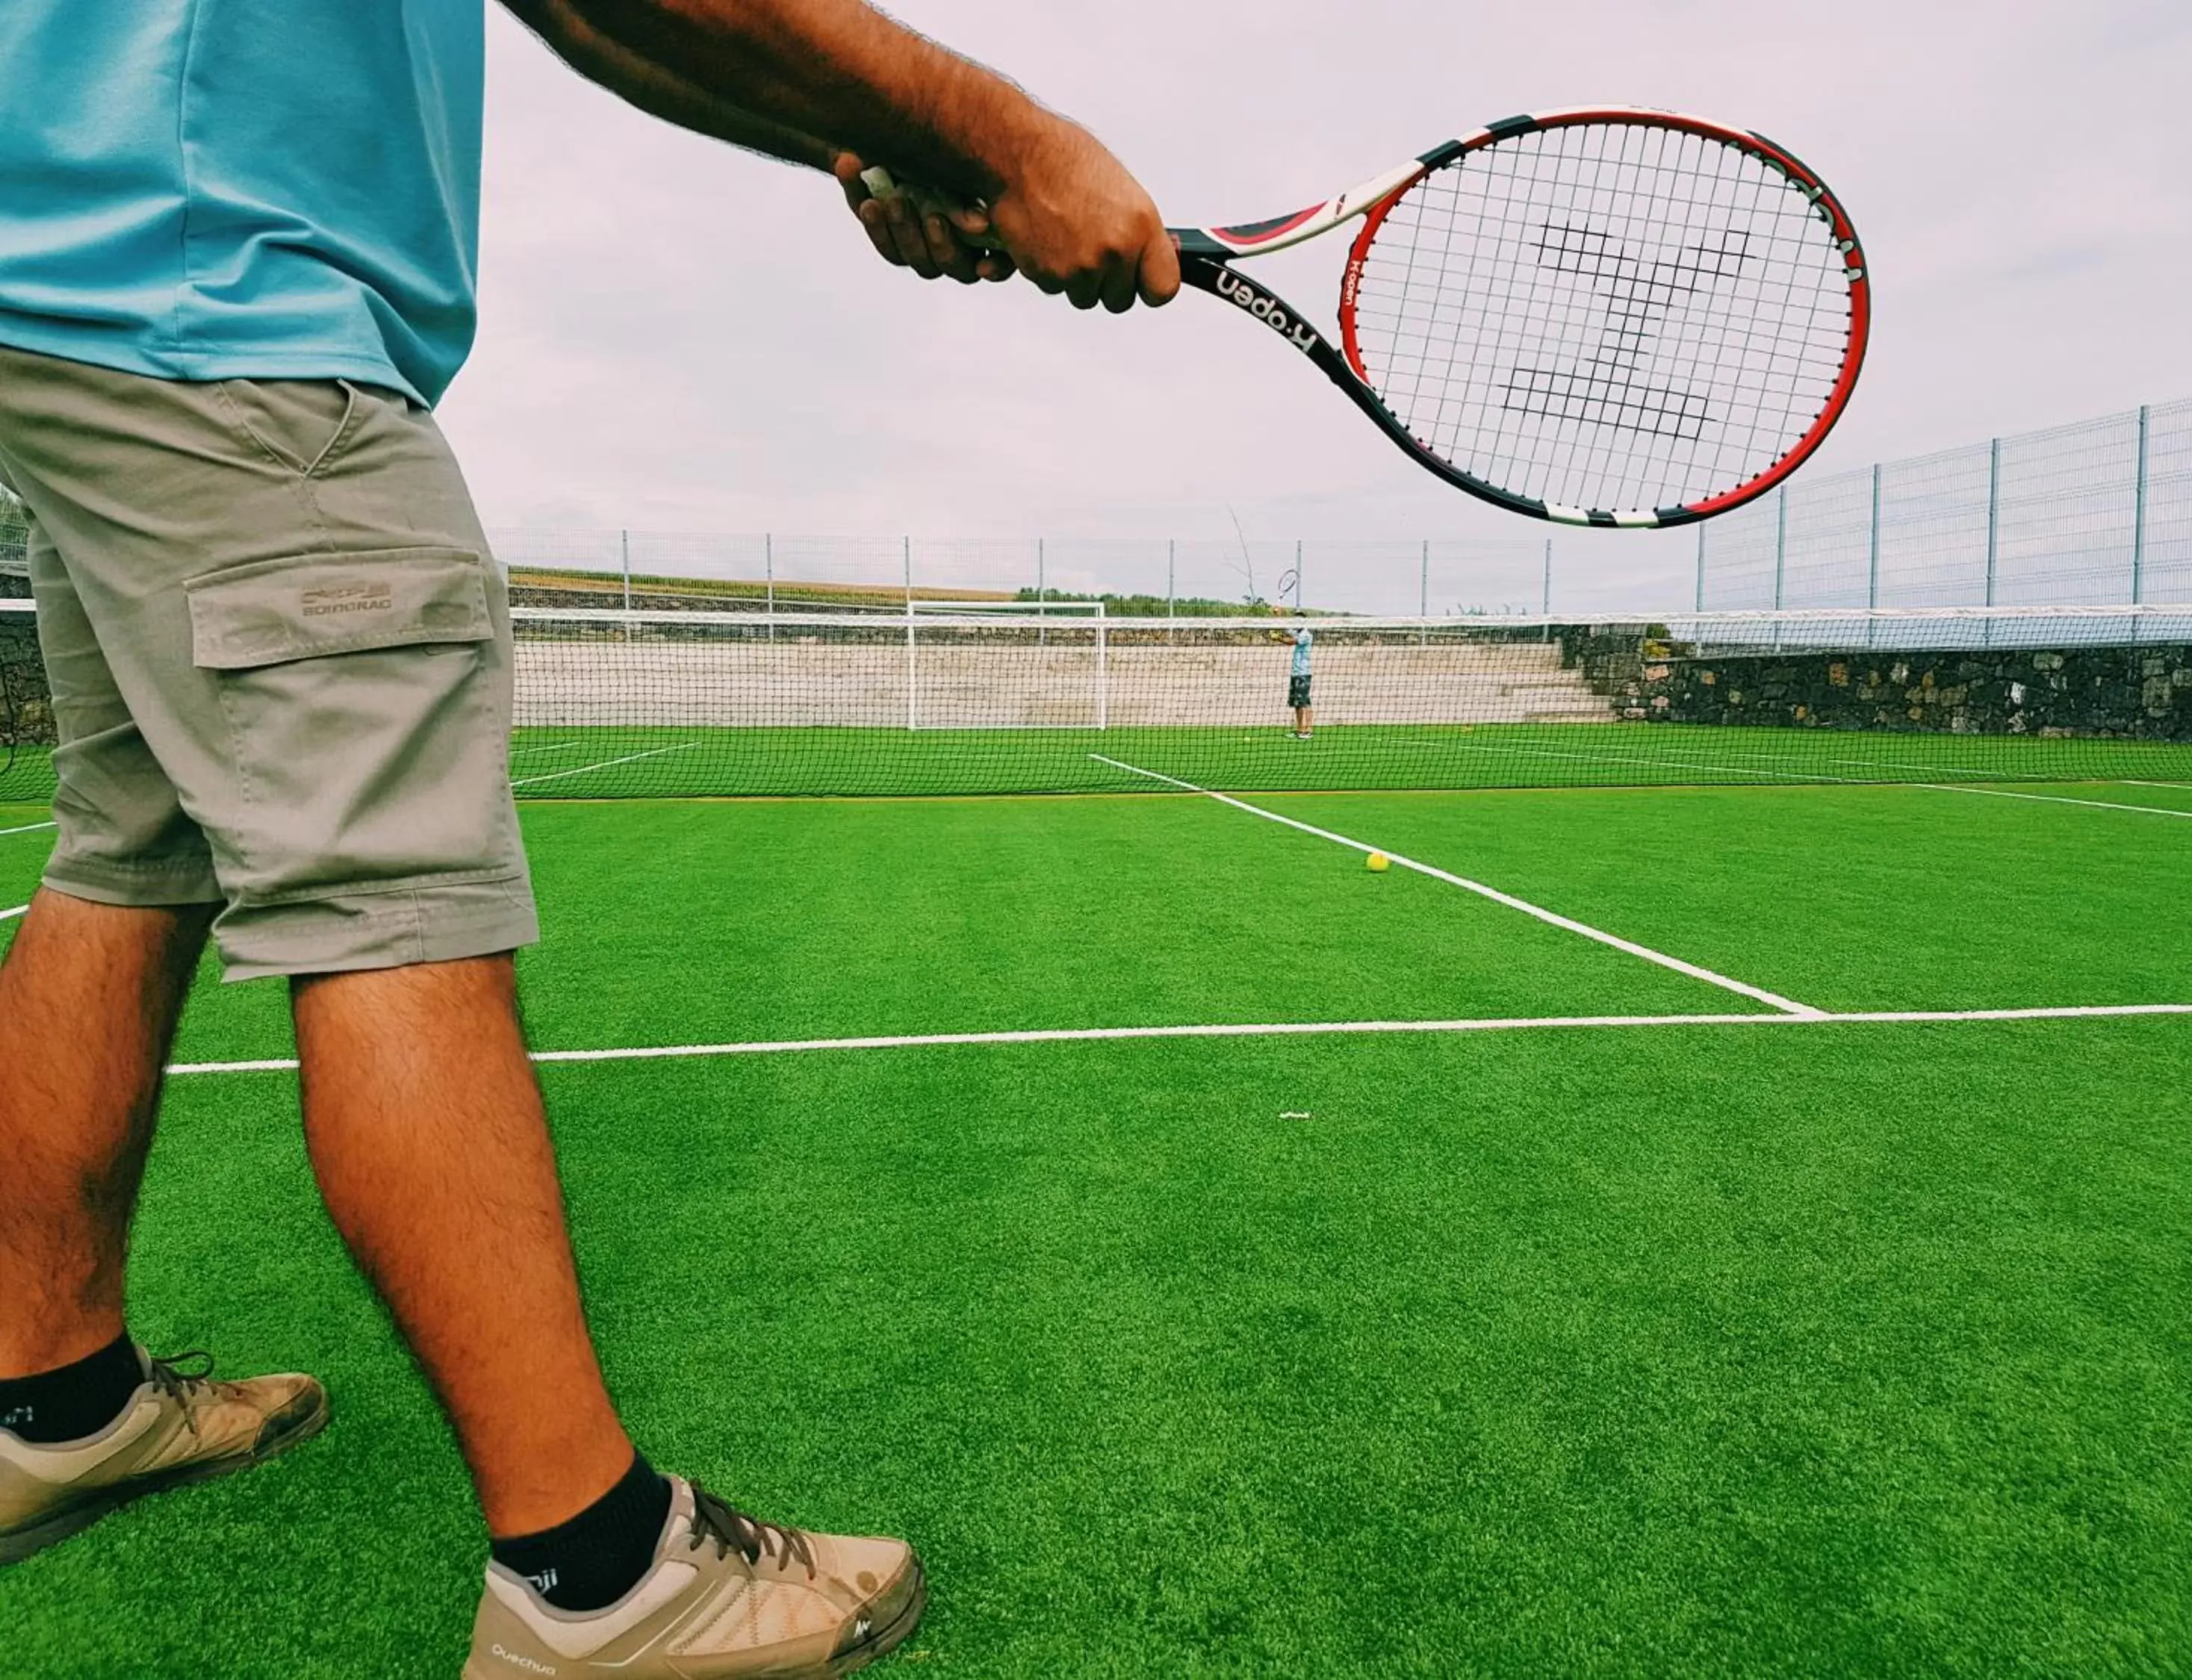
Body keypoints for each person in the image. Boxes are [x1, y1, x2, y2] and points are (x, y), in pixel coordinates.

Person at [0, 3, 1178, 1675]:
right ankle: (597, 1578)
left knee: (133, 844)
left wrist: (866, 144)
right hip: (231, 315)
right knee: (390, 907)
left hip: (75, 290)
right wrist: (1010, 140)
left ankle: (52, 1400)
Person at [1285, 621, 1315, 738]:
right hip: (1296, 673)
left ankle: (1309, 730)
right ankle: (1300, 730)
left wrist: (1279, 639)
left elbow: (1292, 641)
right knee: (1297, 703)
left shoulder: (1305, 634)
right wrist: (1279, 616)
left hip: (1304, 673)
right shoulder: (1298, 632)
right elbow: (1287, 629)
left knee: (1305, 702)